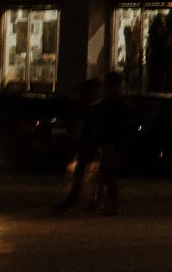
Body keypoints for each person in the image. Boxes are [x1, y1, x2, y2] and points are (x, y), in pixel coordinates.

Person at [55, 77, 102, 212]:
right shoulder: (91, 108)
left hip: (88, 144)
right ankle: (85, 199)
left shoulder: (90, 109)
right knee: (84, 173)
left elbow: (83, 127)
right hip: (87, 144)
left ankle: (82, 199)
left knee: (84, 173)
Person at [91, 71, 130, 213]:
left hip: (111, 143)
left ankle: (111, 203)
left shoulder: (114, 103)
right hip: (110, 142)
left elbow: (113, 125)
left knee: (108, 174)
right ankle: (102, 201)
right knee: (103, 174)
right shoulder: (116, 103)